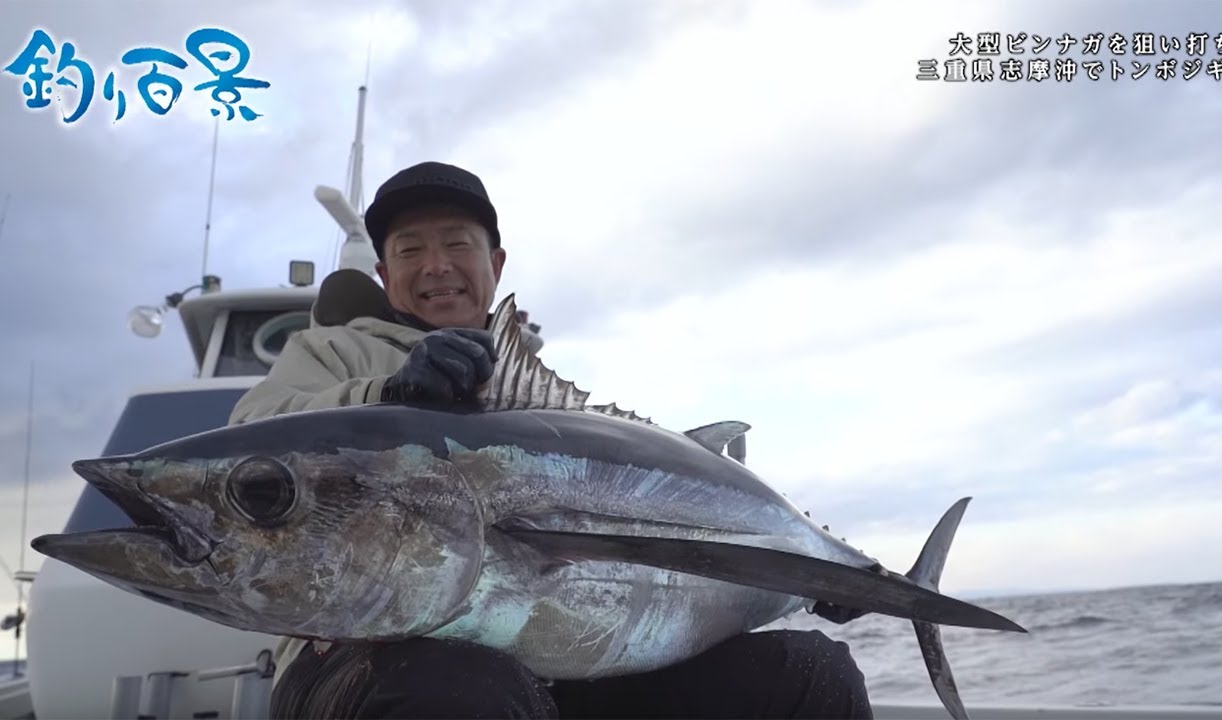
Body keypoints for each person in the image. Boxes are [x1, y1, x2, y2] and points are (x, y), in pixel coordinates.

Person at [228, 161, 875, 719]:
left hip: (555, 662)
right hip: (353, 654)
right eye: (409, 249)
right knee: (459, 688)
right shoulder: (331, 348)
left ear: (496, 262)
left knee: (806, 673)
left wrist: (806, 569)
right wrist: (387, 393)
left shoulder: (535, 400)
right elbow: (250, 437)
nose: (436, 266)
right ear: (382, 268)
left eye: (456, 243)